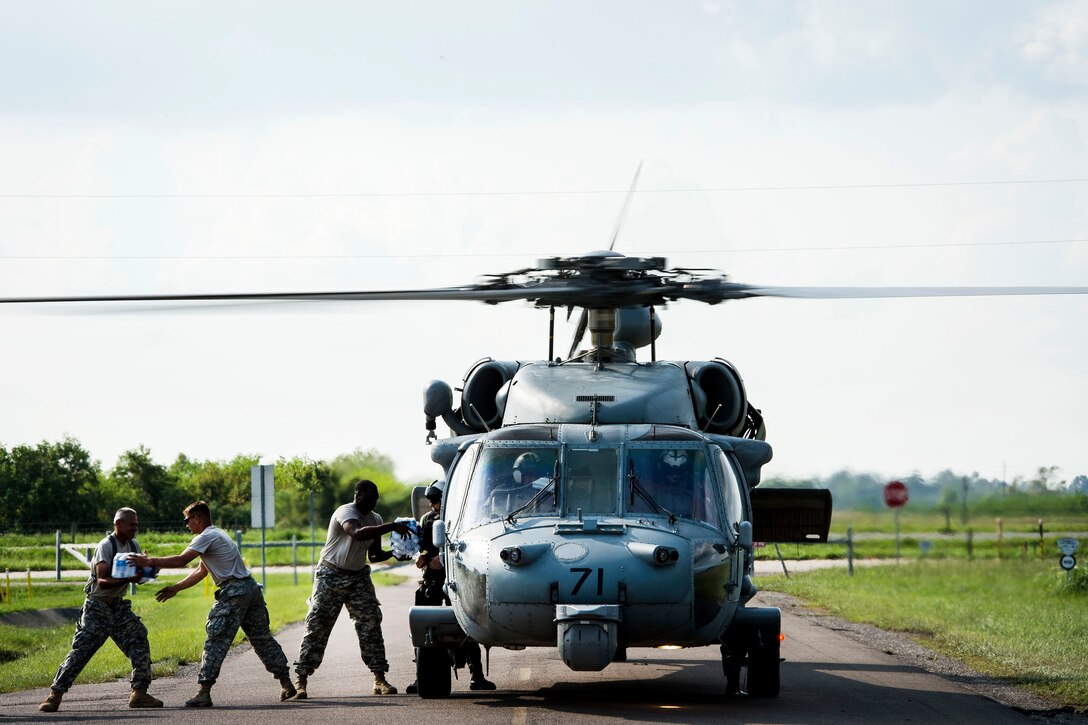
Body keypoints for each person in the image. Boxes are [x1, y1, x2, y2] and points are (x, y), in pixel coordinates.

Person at [129, 501, 295, 708]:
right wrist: (176, 588)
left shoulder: (206, 536)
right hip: (251, 590)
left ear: (197, 519)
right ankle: (287, 684)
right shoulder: (218, 534)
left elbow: (182, 560)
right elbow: (201, 571)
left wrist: (150, 561)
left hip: (234, 592)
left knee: (216, 639)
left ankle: (204, 692)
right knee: (262, 639)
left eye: (187, 520)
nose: (186, 525)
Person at [290, 479, 413, 699]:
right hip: (331, 575)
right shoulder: (345, 512)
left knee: (371, 623)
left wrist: (396, 554)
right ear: (357, 496)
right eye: (369, 498)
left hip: (358, 577)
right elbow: (357, 533)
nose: (373, 502)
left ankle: (379, 679)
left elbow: (374, 555)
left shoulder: (375, 518)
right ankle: (301, 680)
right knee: (318, 625)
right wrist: (392, 527)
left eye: (375, 498)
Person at [39, 508, 163, 712]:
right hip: (98, 607)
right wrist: (132, 578)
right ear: (118, 524)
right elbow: (103, 581)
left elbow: (137, 577)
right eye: (132, 524)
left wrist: (149, 571)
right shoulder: (106, 546)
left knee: (139, 637)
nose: (135, 528)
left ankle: (139, 693)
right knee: (82, 651)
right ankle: (55, 695)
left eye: (136, 524)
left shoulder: (133, 545)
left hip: (118, 607)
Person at [406, 483, 495, 694]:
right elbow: (421, 546)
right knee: (425, 628)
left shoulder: (465, 518)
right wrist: (421, 558)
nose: (433, 505)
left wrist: (445, 560)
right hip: (432, 581)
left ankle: (477, 676)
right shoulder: (427, 520)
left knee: (467, 624)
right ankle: (422, 677)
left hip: (459, 579)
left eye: (436, 500)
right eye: (431, 501)